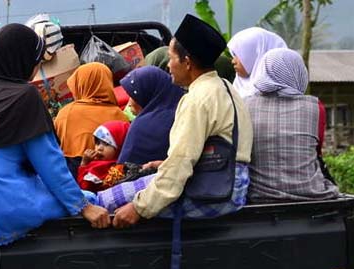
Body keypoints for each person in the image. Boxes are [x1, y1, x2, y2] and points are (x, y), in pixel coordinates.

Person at [0, 24, 109, 247]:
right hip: (6, 208)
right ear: (22, 61)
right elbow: (49, 163)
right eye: (36, 62)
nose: (36, 69)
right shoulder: (25, 97)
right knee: (92, 198)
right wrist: (84, 207)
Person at [103, 14, 253, 227]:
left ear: (187, 62)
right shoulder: (226, 88)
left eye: (172, 58)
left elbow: (180, 164)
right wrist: (162, 165)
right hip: (233, 187)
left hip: (213, 191)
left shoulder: (196, 99)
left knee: (107, 200)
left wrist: (139, 207)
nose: (169, 66)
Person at [246, 48, 339, 202]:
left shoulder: (244, 105)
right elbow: (317, 150)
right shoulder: (315, 107)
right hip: (311, 194)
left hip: (257, 196)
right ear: (299, 72)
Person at [54, 62, 129, 173]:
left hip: (73, 173)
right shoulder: (120, 115)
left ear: (81, 85)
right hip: (113, 175)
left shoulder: (67, 113)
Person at [117, 65, 184, 165]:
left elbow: (121, 171)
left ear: (148, 93)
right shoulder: (185, 112)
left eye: (134, 96)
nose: (130, 103)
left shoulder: (142, 127)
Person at [227, 27, 287, 98]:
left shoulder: (278, 95)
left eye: (238, 55)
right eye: (234, 55)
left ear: (256, 56)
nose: (233, 61)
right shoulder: (237, 86)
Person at [77, 121, 130, 192]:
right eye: (98, 143)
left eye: (106, 144)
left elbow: (85, 188)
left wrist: (84, 165)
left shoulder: (113, 169)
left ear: (120, 146)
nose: (99, 148)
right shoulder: (97, 163)